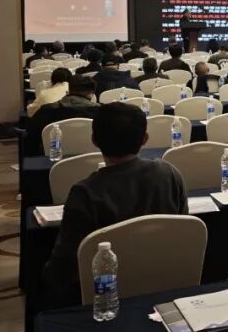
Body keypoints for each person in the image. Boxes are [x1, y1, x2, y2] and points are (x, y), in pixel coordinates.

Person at [40, 102, 188, 308]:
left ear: (94, 140)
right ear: (145, 139)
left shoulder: (84, 193)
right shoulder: (169, 174)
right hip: (168, 282)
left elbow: (63, 267)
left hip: (107, 296)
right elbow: (183, 231)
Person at [25, 75, 99, 156]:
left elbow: (31, 137)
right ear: (91, 94)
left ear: (68, 91)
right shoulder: (102, 111)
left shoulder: (46, 110)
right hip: (94, 158)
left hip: (52, 159)